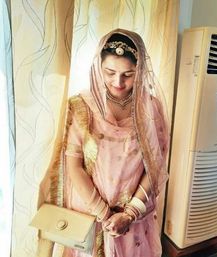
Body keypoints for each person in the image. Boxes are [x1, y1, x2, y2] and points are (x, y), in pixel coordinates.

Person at [38, 28, 169, 257]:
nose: (118, 82)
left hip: (132, 222)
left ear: (140, 71)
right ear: (99, 67)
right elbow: (74, 165)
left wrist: (129, 214)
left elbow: (154, 167)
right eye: (110, 72)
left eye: (128, 74)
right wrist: (105, 215)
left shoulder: (150, 109)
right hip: (90, 216)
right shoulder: (82, 107)